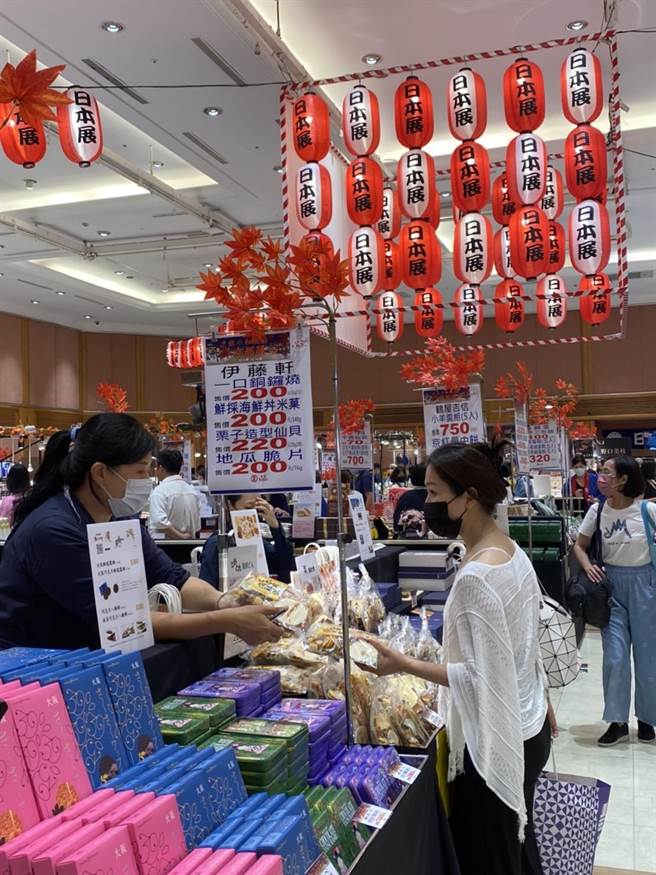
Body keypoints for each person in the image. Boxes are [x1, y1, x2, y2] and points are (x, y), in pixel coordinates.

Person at [363, 442, 552, 875]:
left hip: (497, 736)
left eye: (433, 493)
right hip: (529, 721)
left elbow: (480, 678)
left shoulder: (476, 579)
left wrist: (402, 664)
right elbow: (521, 642)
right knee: (517, 848)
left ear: (467, 496)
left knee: (492, 855)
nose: (425, 504)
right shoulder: (510, 552)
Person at [0, 414, 283, 651]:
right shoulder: (52, 531)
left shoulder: (120, 520)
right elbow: (122, 622)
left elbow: (173, 577)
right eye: (139, 472)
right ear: (99, 473)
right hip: (33, 669)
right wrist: (227, 620)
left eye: (149, 471)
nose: (146, 482)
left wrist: (224, 601)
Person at [573, 455, 656, 746]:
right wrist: (586, 565)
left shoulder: (647, 510)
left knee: (648, 658)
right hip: (611, 590)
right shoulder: (597, 510)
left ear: (623, 479)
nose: (600, 476)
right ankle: (618, 721)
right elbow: (579, 545)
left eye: (607, 472)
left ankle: (647, 719)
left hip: (646, 587)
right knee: (615, 658)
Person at [199, 493, 294, 586]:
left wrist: (275, 526)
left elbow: (287, 570)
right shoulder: (215, 544)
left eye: (258, 510)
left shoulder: (258, 541)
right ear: (230, 505)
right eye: (248, 508)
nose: (253, 515)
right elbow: (205, 590)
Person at [149, 449, 200, 540]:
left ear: (161, 468)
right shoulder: (192, 491)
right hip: (190, 544)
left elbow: (159, 522)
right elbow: (197, 525)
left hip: (165, 546)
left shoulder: (159, 491)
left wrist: (181, 537)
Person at [393, 465, 427, 531]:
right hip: (432, 538)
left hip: (406, 538)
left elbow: (396, 521)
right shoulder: (434, 496)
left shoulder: (405, 496)